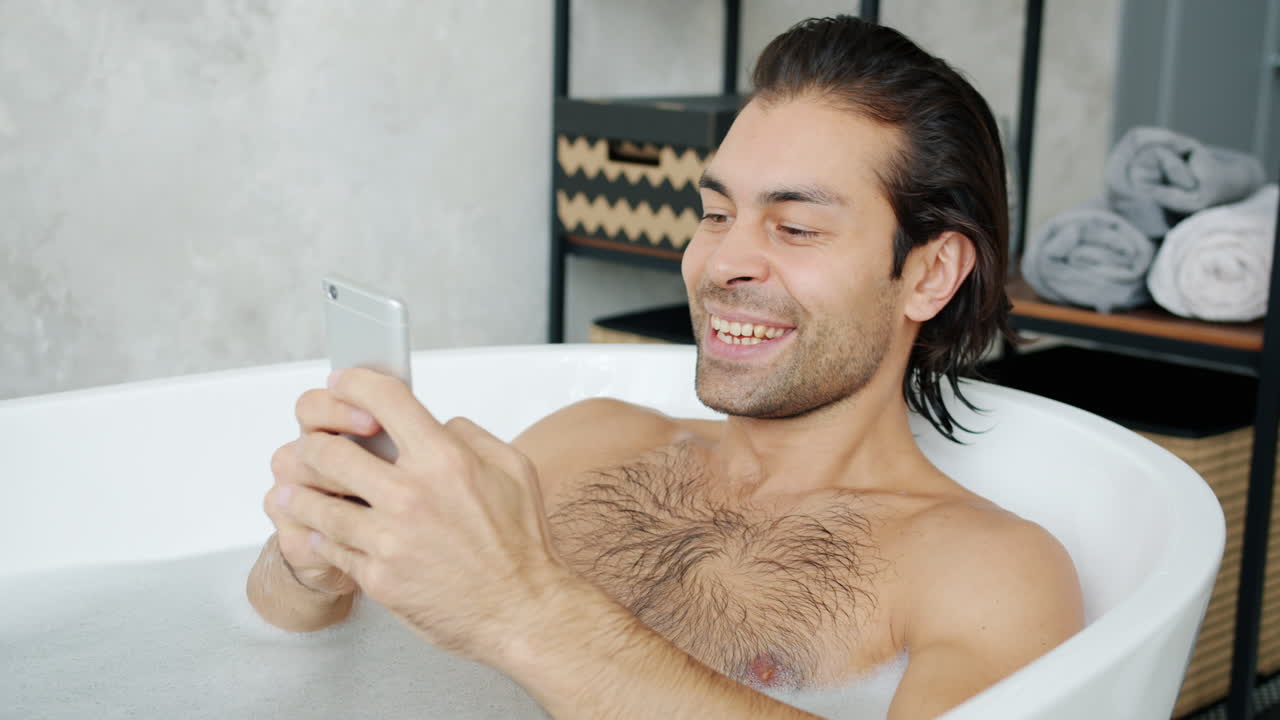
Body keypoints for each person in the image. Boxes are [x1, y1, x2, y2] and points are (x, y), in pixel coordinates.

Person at [246, 15, 1083, 719]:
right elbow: (272, 639)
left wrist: (521, 610)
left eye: (794, 228)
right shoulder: (587, 441)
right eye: (715, 213)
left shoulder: (986, 568)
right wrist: (310, 560)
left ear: (929, 274)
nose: (722, 263)